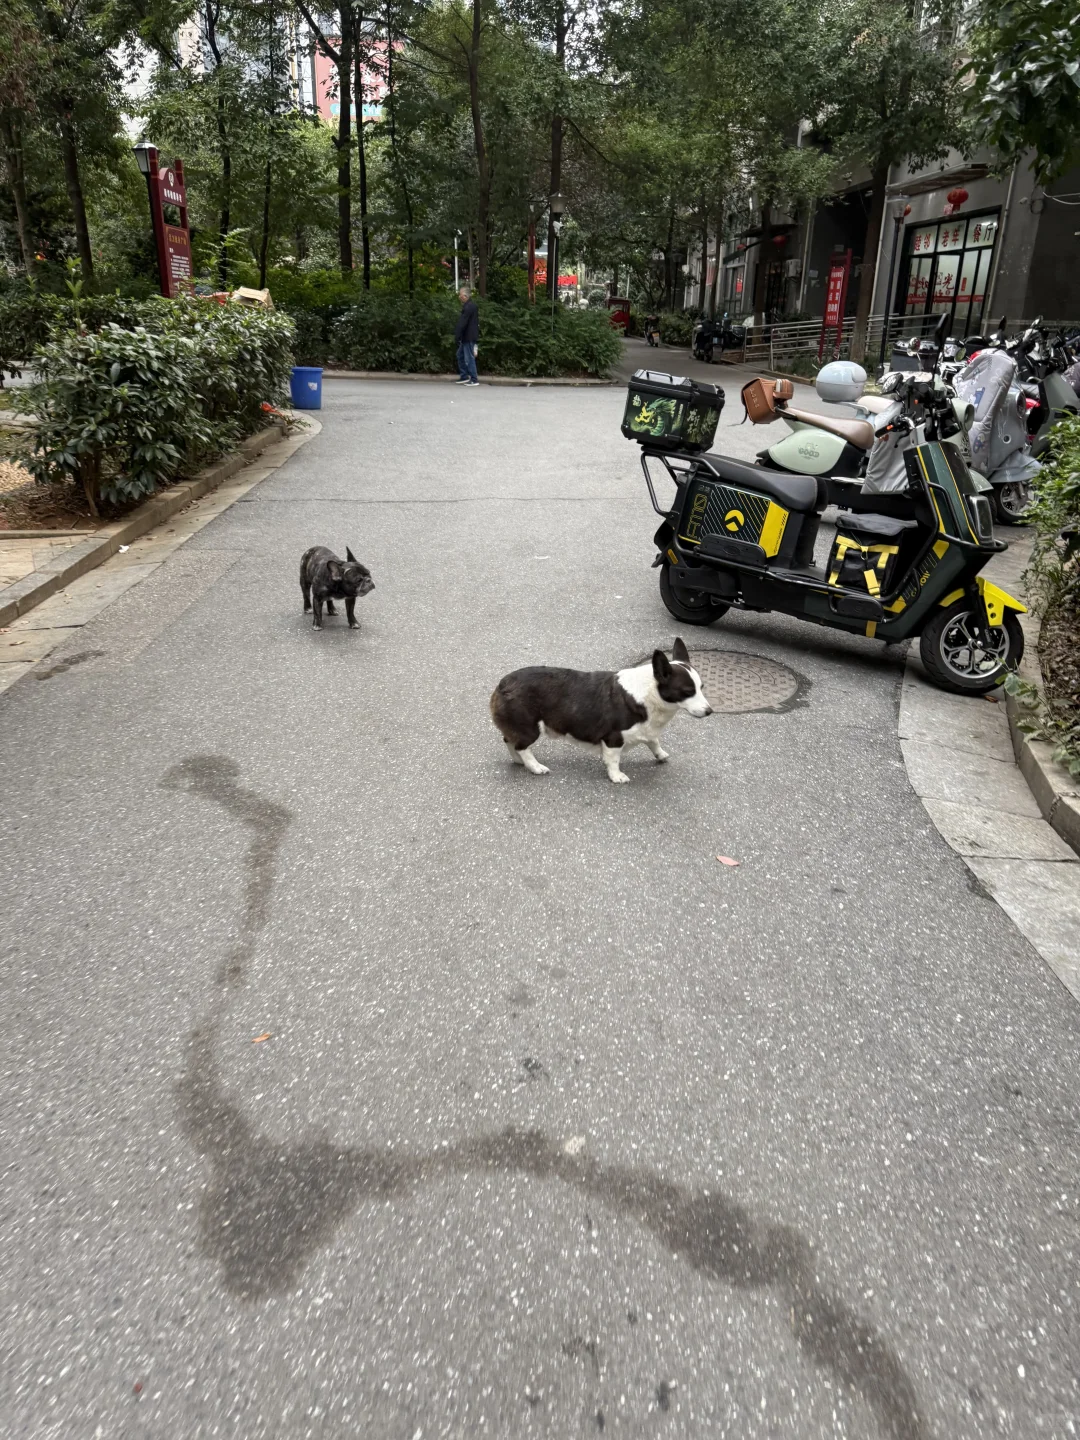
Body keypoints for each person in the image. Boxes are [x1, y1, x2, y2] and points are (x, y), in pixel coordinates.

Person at [454, 286, 480, 386]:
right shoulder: (470, 306)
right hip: (468, 336)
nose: (459, 296)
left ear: (465, 296)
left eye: (460, 295)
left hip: (468, 336)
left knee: (469, 357)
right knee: (460, 355)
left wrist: (457, 334)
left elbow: (463, 322)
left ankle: (474, 379)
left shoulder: (468, 307)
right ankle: (464, 376)